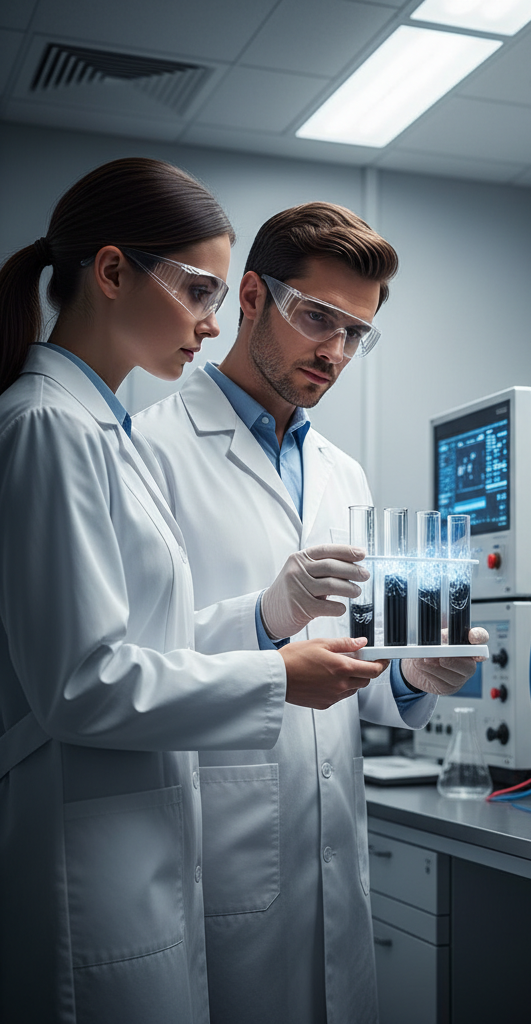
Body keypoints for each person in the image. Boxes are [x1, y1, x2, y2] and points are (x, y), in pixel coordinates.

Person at [0, 161, 389, 1023]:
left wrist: (275, 620)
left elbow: (154, 641)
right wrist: (277, 671)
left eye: (355, 332)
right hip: (110, 865)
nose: (209, 326)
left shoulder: (97, 427)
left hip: (166, 849)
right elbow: (78, 682)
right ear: (110, 273)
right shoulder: (59, 428)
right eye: (200, 292)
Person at [136, 202, 486, 1024]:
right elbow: (120, 663)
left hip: (328, 851)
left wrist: (411, 678)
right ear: (250, 296)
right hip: (215, 846)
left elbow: (349, 668)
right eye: (317, 316)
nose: (334, 350)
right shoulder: (149, 448)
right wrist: (261, 619)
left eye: (355, 333)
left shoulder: (344, 475)